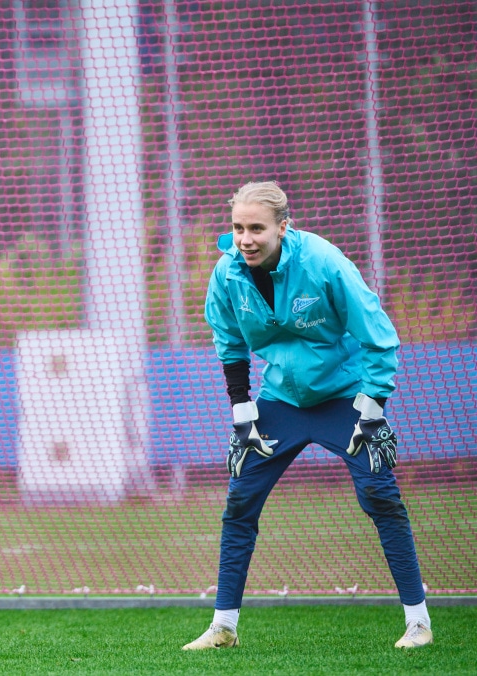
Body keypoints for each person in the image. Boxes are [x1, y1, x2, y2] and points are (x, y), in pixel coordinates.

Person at [183, 181, 432, 651]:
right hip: (281, 401)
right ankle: (223, 627)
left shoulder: (324, 263)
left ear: (283, 226)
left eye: (256, 228)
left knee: (380, 495)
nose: (245, 239)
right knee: (239, 503)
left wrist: (373, 411)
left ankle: (418, 622)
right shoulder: (228, 272)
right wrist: (243, 413)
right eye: (237, 228)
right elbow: (229, 343)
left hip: (345, 398)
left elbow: (380, 336)